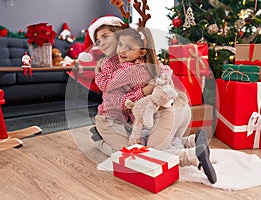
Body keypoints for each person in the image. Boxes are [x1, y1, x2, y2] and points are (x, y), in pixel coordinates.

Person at [86, 16, 217, 184]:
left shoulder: (133, 58)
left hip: (129, 119)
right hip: (111, 118)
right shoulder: (109, 66)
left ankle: (189, 142)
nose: (101, 43)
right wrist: (144, 90)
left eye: (105, 37)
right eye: (97, 42)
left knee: (139, 150)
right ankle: (190, 155)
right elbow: (114, 96)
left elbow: (161, 69)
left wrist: (161, 80)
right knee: (132, 153)